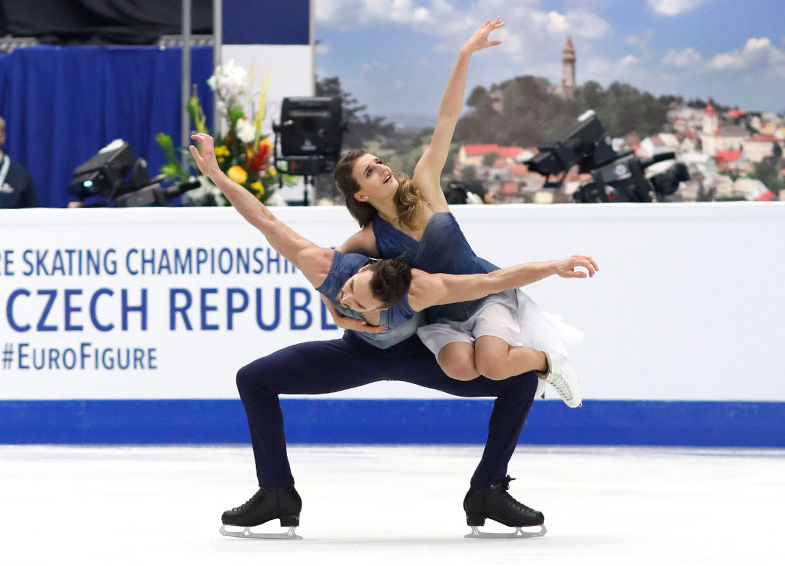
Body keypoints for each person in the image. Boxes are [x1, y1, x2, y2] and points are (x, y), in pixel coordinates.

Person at [189, 132, 596, 538]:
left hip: (417, 353)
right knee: (253, 378)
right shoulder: (328, 267)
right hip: (357, 355)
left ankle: (487, 491)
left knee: (518, 379)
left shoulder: (418, 288)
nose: (351, 301)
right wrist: (216, 174)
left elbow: (492, 280)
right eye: (348, 292)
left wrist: (553, 266)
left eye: (362, 303)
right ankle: (276, 492)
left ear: (390, 297)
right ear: (362, 266)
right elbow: (264, 218)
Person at [332, 18, 588, 407]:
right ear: (360, 195)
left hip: (486, 294)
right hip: (441, 318)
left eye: (379, 161)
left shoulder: (424, 185)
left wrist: (465, 55)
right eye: (370, 171)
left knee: (493, 365)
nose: (383, 168)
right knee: (460, 369)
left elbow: (447, 119)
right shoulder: (367, 239)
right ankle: (493, 350)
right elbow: (323, 270)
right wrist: (337, 315)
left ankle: (547, 362)